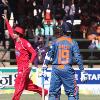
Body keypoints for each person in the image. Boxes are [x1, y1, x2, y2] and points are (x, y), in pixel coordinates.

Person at [2, 14, 48, 100]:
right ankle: (44, 91)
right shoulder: (16, 40)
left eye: (15, 33)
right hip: (20, 67)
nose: (13, 34)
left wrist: (30, 62)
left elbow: (34, 52)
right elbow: (10, 31)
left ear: (18, 34)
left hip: (25, 67)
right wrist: (6, 21)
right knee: (27, 85)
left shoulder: (25, 42)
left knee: (18, 85)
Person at [42, 21, 88, 100]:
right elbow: (78, 58)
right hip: (67, 69)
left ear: (62, 30)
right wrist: (82, 71)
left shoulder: (55, 42)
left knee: (53, 93)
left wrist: (44, 68)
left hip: (55, 69)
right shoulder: (73, 42)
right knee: (72, 93)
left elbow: (48, 55)